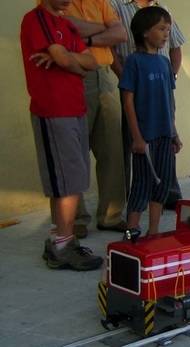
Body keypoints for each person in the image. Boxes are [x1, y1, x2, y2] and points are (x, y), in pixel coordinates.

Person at [21, 0, 103, 270]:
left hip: (75, 109)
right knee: (66, 182)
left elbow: (90, 62)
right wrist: (69, 61)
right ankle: (63, 246)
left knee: (73, 179)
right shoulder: (37, 19)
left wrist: (70, 61)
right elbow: (64, 59)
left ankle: (61, 240)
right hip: (54, 110)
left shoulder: (66, 24)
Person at [58, 0, 128, 237]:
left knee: (112, 149)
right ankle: (75, 218)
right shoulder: (55, 2)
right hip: (74, 74)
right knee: (74, 151)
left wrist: (85, 36)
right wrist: (102, 28)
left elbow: (120, 33)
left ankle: (111, 215)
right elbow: (64, 28)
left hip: (105, 75)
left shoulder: (100, 1)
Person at [110, 0, 187, 210]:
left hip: (161, 88)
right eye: (162, 29)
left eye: (166, 29)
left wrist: (171, 77)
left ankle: (167, 195)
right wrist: (128, 79)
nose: (165, 33)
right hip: (136, 87)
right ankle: (134, 204)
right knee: (137, 148)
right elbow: (111, 50)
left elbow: (176, 47)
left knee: (164, 152)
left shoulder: (163, 8)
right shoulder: (117, 6)